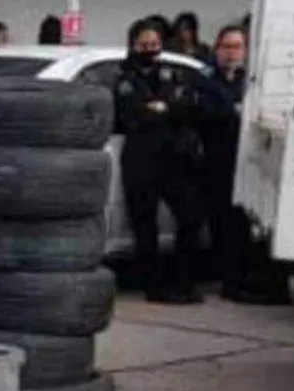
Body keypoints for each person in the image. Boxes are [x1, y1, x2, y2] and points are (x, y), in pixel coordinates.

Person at [115, 18, 203, 304]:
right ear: (133, 45)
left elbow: (185, 104)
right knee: (145, 225)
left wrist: (163, 106)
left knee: (190, 216)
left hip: (171, 157)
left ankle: (181, 280)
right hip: (140, 158)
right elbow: (134, 114)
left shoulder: (170, 72)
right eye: (144, 45)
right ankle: (153, 287)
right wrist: (162, 107)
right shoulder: (123, 77)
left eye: (155, 45)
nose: (150, 49)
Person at [199, 26, 288, 304]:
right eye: (226, 46)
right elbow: (207, 112)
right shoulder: (206, 80)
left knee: (243, 225)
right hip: (215, 162)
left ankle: (242, 279)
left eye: (237, 47)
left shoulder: (248, 82)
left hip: (247, 162)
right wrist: (233, 111)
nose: (231, 53)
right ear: (216, 49)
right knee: (223, 223)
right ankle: (229, 281)